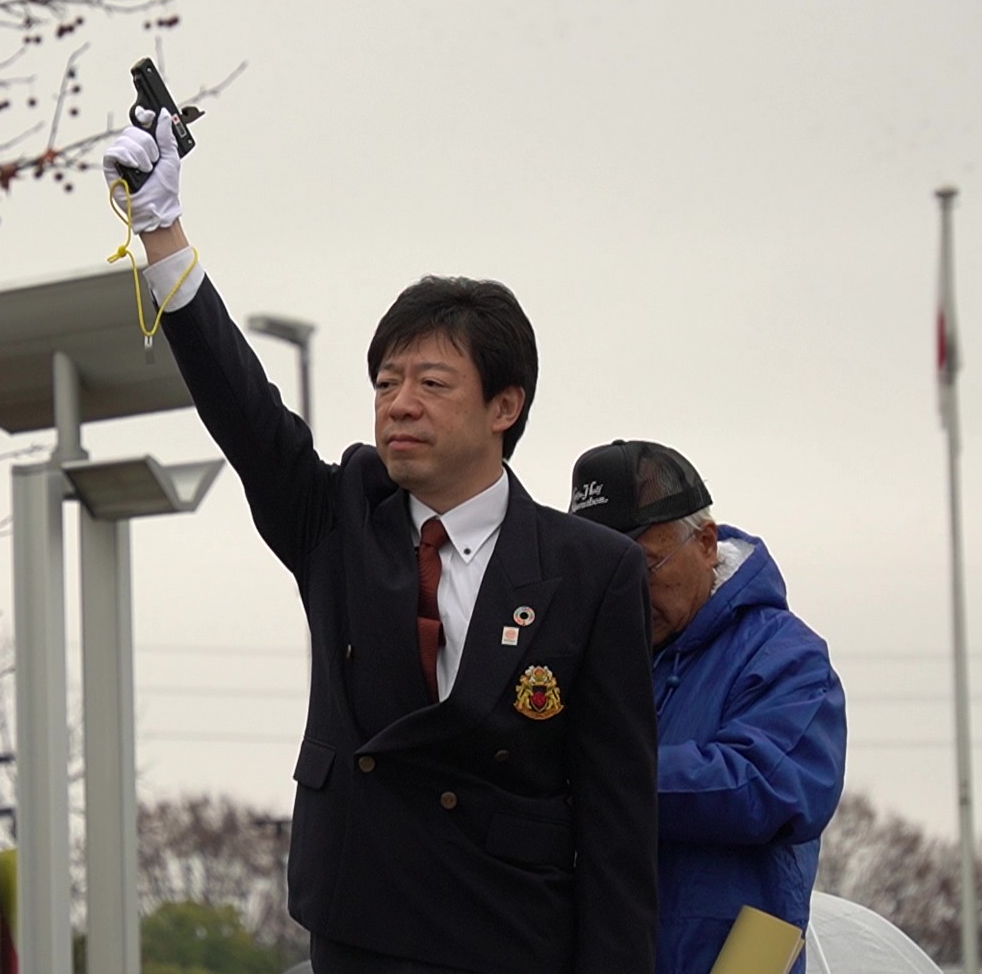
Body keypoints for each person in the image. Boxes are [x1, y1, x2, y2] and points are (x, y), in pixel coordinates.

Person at [103, 113, 657, 973]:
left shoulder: (593, 569)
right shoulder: (336, 521)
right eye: (386, 381)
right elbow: (244, 410)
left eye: (432, 383)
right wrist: (163, 235)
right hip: (362, 929)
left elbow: (620, 820)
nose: (399, 403)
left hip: (510, 937)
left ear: (504, 406)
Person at [568, 439, 847, 974]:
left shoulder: (786, 655)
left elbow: (772, 784)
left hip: (739, 962)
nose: (625, 592)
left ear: (707, 543)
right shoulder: (584, 657)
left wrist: (601, 779)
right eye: (602, 573)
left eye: (644, 566)